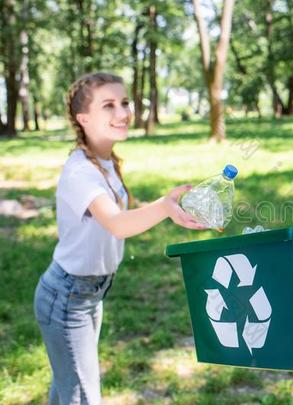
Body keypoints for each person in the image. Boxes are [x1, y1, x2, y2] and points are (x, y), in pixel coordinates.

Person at [33, 72, 205, 405]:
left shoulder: (104, 162)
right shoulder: (80, 171)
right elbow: (116, 224)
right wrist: (163, 208)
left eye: (124, 102)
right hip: (67, 299)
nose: (123, 113)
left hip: (87, 293)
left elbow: (118, 214)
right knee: (83, 397)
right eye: (108, 105)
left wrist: (165, 205)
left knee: (69, 390)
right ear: (83, 119)